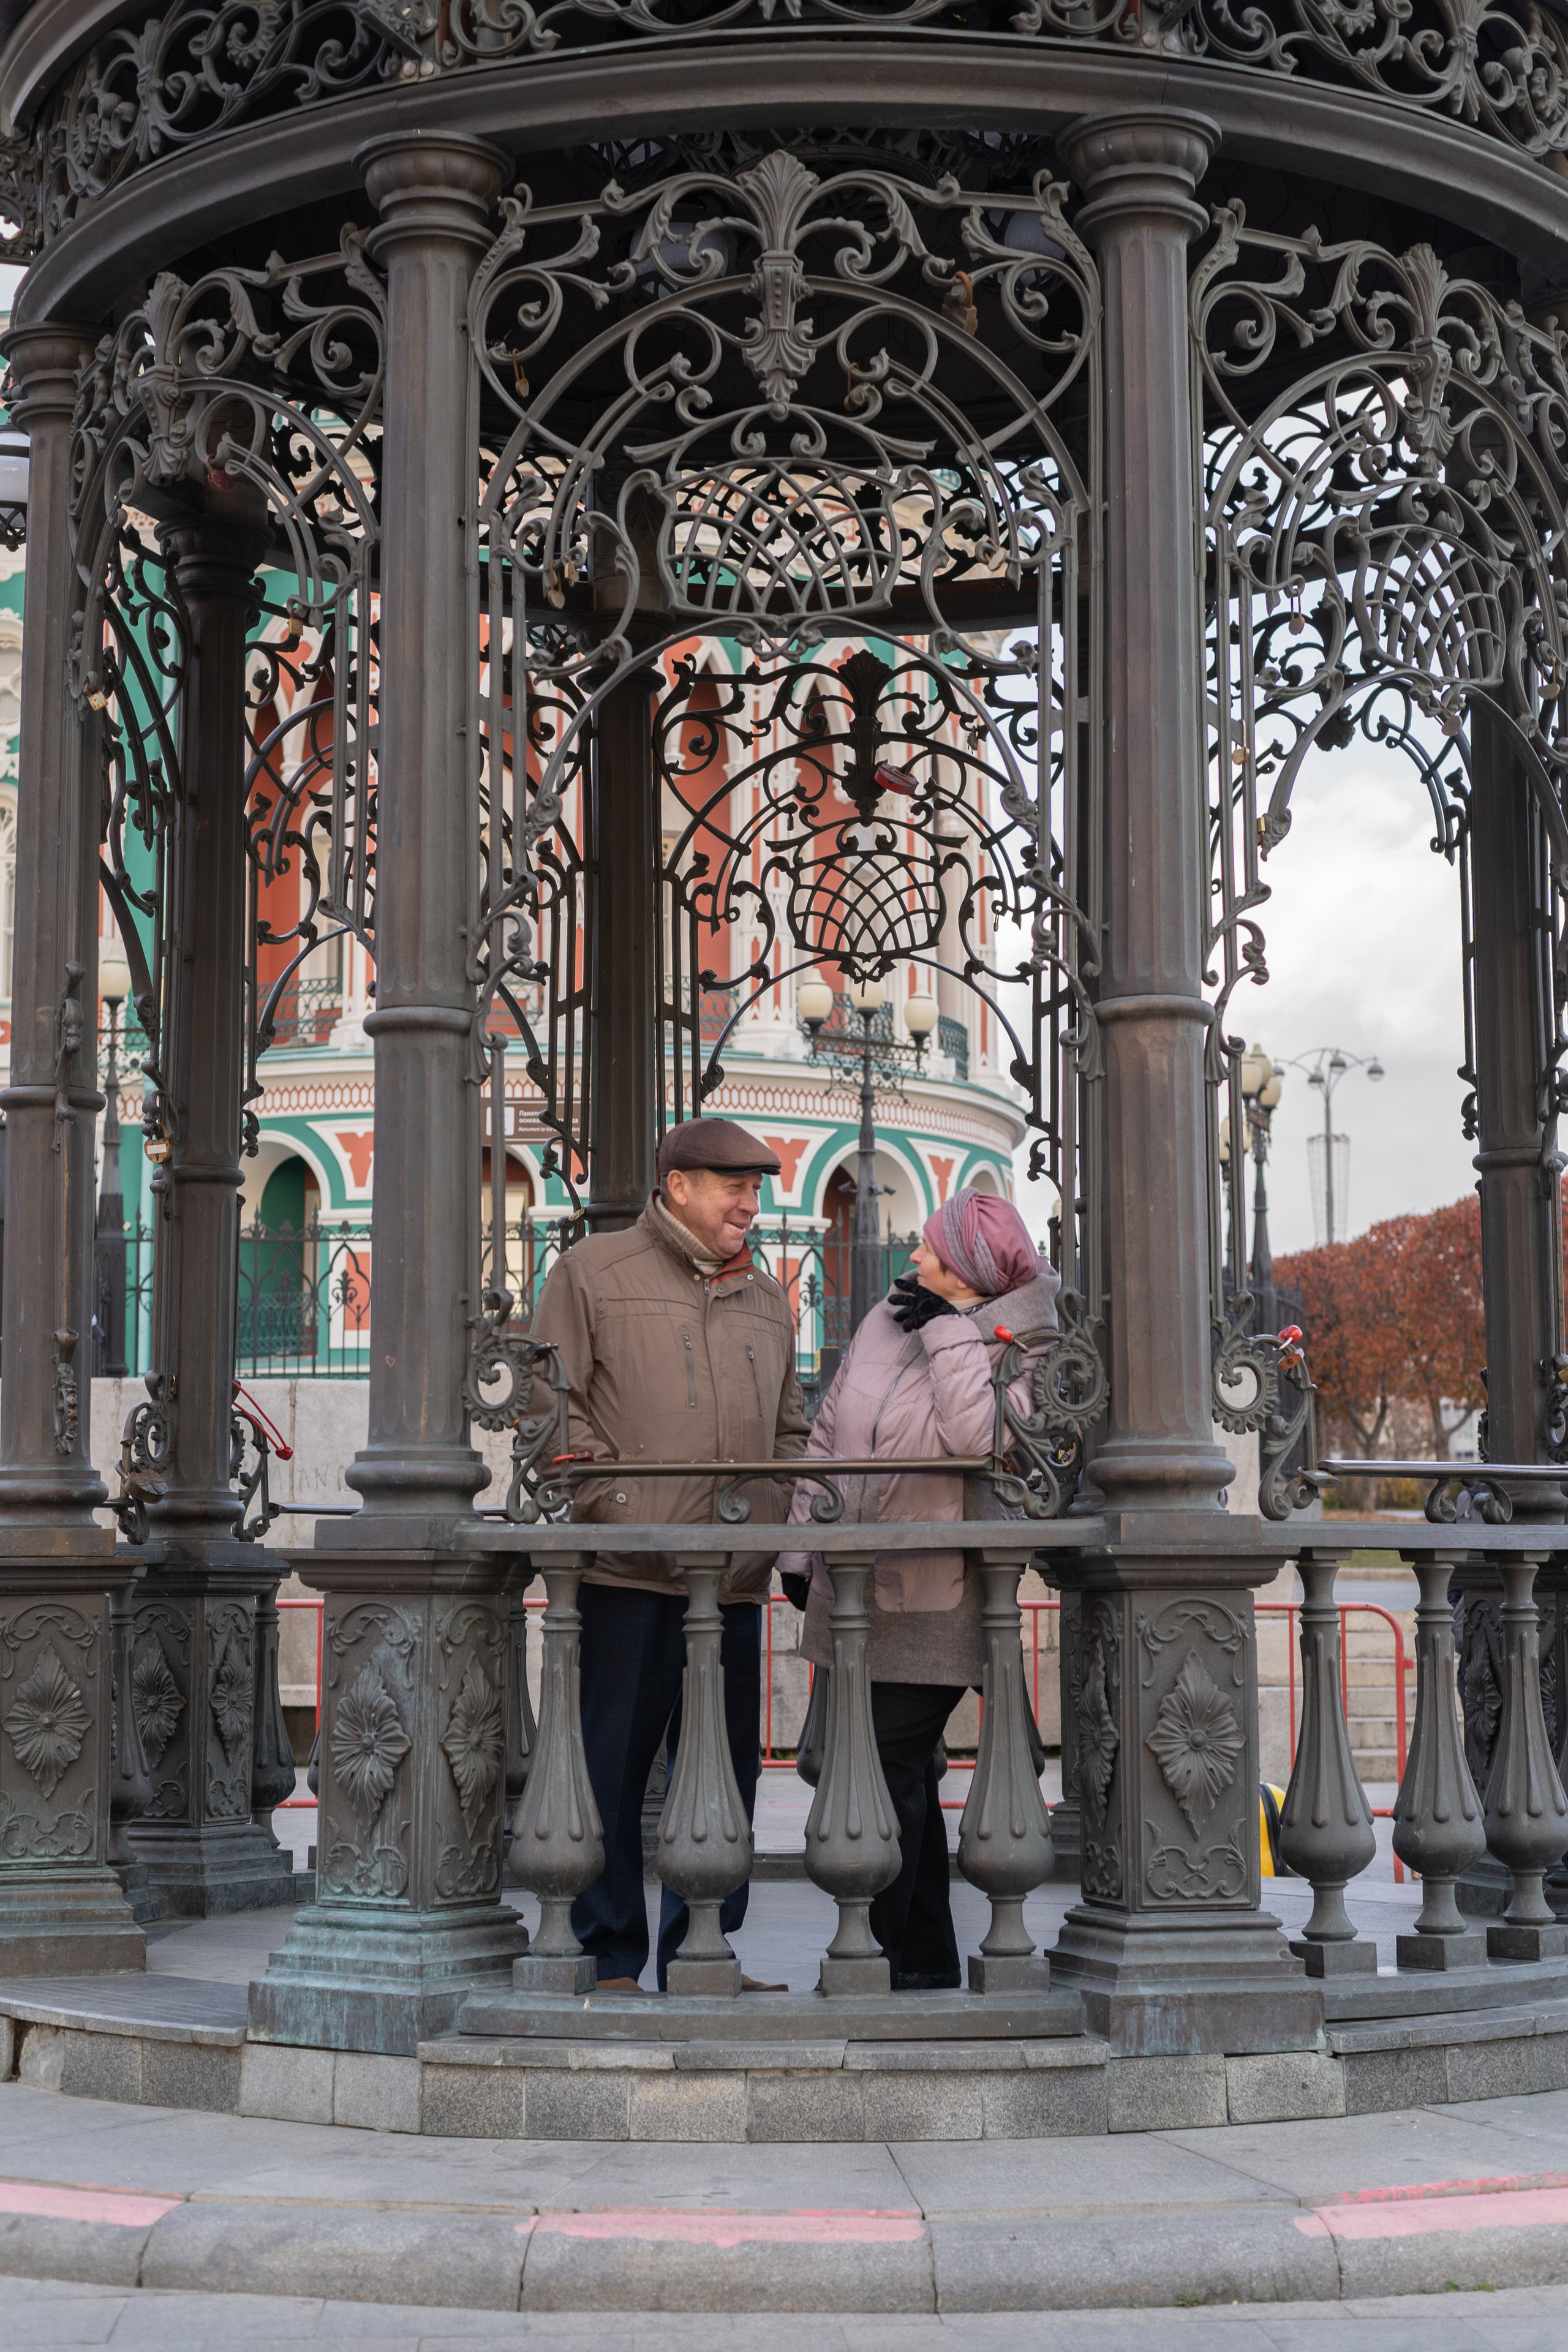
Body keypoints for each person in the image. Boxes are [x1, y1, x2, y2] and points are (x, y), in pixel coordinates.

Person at [528, 1117, 809, 1989]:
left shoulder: (767, 1297)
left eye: (756, 1189)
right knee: (609, 1772)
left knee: (725, 1776)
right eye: (733, 1187)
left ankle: (705, 1952)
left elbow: (791, 1428)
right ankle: (609, 1956)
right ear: (677, 1185)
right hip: (626, 1574)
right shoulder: (591, 1272)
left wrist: (770, 1513)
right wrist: (615, 1507)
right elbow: (549, 1407)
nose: (749, 1205)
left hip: (733, 1582)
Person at [778, 1187, 1058, 1991]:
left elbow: (977, 1437)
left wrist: (948, 1331)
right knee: (894, 1778)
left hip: (940, 1596)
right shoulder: (888, 1315)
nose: (913, 1257)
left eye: (930, 1249)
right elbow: (829, 1431)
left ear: (967, 1271)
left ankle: (876, 1959)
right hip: (854, 1587)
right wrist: (799, 1549)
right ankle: (924, 1962)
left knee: (882, 1771)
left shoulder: (1032, 1343)